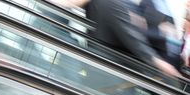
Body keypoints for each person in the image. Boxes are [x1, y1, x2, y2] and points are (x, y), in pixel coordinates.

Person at [51, 0, 180, 79]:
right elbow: (131, 37)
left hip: (100, 61)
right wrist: (157, 61)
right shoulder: (114, 2)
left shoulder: (114, 3)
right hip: (110, 66)